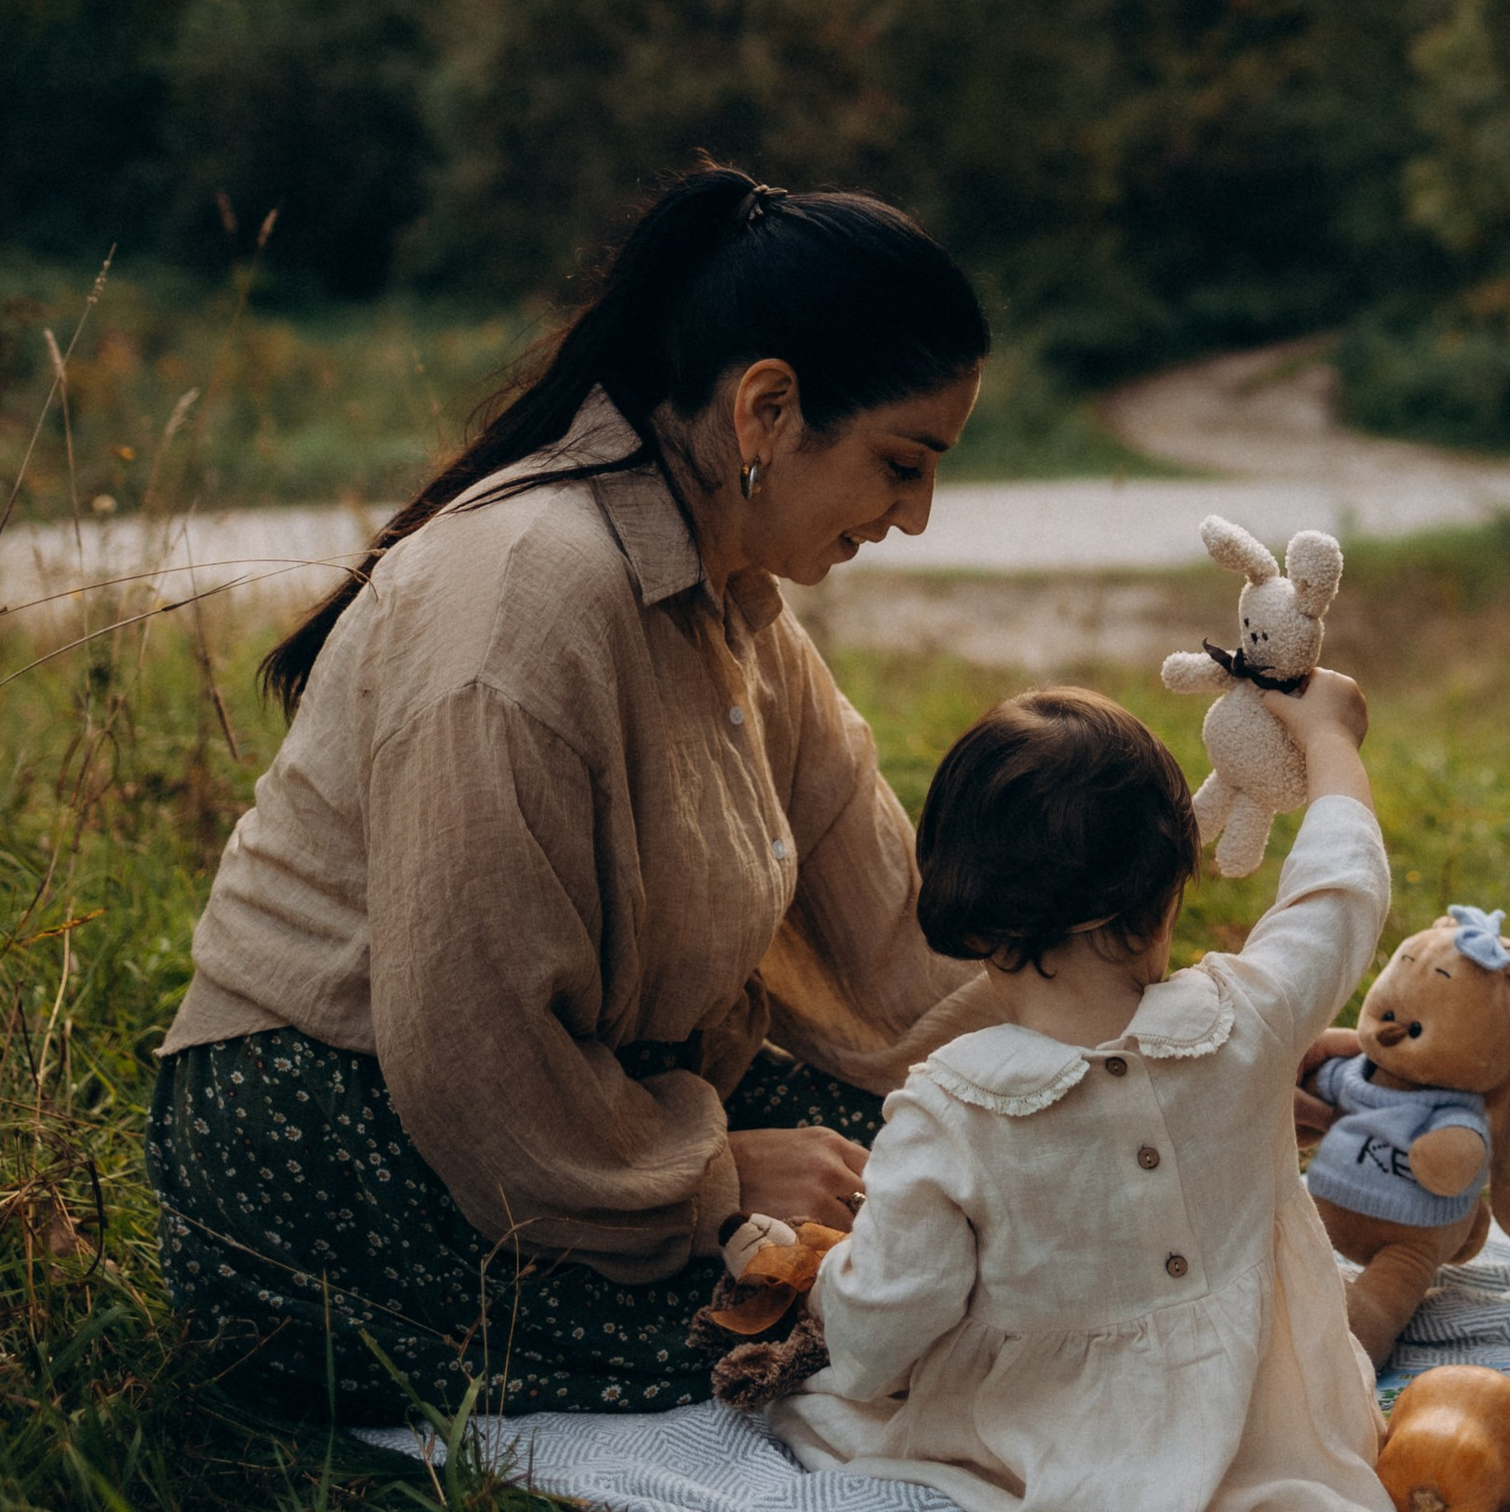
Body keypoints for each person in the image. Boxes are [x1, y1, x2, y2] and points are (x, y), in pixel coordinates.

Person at [145, 165, 1002, 1416]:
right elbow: (467, 1044)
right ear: (768, 409)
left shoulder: (729, 593)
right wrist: (717, 1182)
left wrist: (1157, 1048)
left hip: (595, 1096)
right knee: (888, 1335)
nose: (915, 516)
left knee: (976, 1192)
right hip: (342, 1140)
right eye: (901, 463)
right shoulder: (522, 601)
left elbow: (895, 940)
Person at [773, 675, 1399, 1512]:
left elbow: (879, 1335)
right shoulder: (1254, 1017)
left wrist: (823, 1292)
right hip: (1272, 1457)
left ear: (969, 914)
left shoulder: (946, 1112)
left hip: (1037, 1475)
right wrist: (1328, 737)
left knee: (817, 1405)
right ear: (1167, 894)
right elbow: (1340, 890)